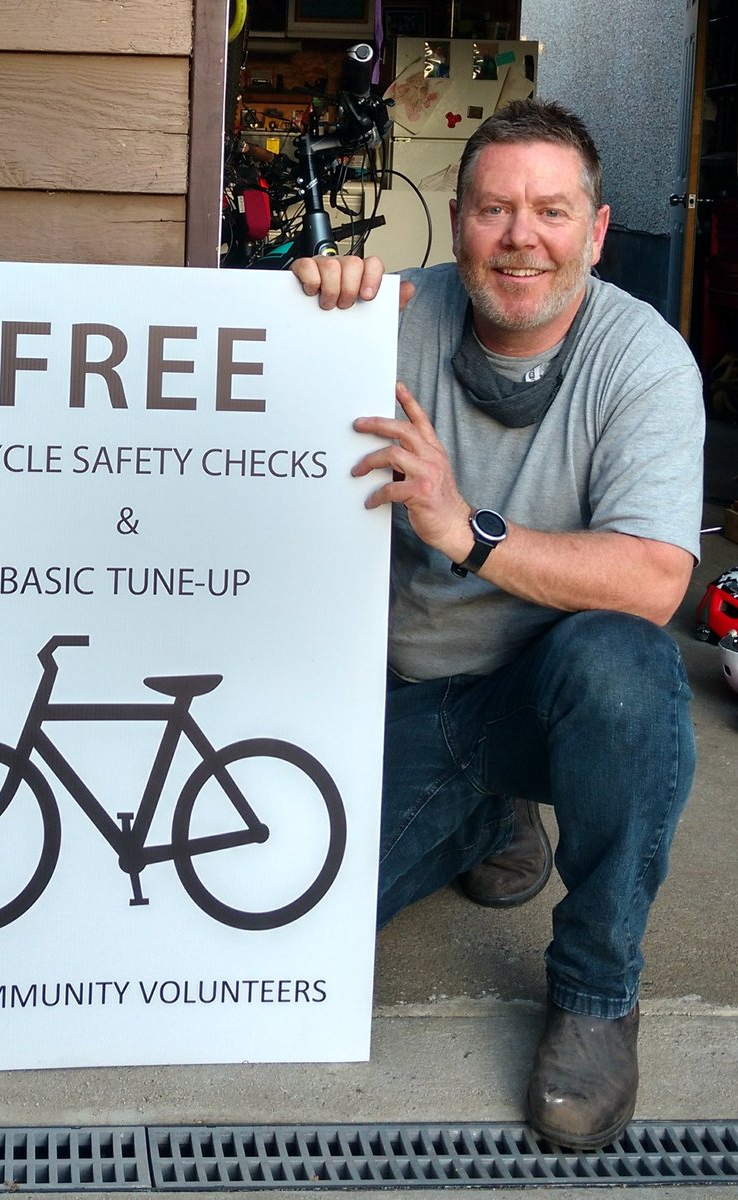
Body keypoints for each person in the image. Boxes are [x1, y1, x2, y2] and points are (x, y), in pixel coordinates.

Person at [292, 98, 705, 1150]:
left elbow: (656, 581)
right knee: (282, 925)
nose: (522, 236)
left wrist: (463, 528)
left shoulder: (643, 362)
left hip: (543, 695)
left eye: (552, 211)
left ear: (597, 232)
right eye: (494, 209)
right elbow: (238, 398)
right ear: (456, 217)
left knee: (627, 664)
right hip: (404, 700)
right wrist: (302, 304)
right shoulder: (387, 318)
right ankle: (489, 816)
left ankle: (599, 991)